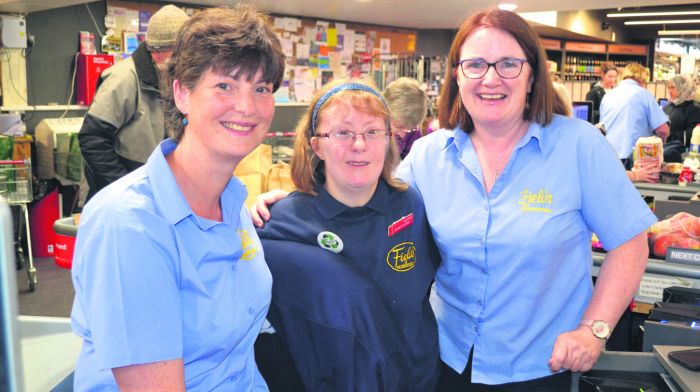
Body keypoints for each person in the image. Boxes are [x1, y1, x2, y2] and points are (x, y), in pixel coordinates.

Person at [253, 9, 655, 390]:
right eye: (475, 65)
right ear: (458, 78)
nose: (491, 79)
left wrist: (594, 329)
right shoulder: (429, 155)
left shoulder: (578, 146)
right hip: (444, 363)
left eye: (508, 64)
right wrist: (293, 203)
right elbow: (365, 193)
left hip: (540, 365)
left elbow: (630, 241)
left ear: (532, 75)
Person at [70, 5, 285, 390]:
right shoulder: (130, 226)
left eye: (261, 88)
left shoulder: (231, 204)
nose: (247, 106)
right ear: (182, 93)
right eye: (224, 85)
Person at [254, 79, 440, 391]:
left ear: (387, 140)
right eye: (342, 132)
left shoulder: (413, 207)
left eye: (372, 132)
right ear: (317, 145)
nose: (359, 145)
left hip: (416, 379)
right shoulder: (282, 224)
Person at [78, 4, 189, 204]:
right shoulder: (123, 78)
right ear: (157, 51)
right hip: (115, 198)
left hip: (154, 195)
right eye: (180, 53)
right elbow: (92, 139)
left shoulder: (176, 80)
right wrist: (126, 187)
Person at [600, 63, 669, 169]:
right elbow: (663, 130)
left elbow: (602, 128)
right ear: (642, 78)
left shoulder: (607, 96)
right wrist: (660, 146)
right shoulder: (644, 95)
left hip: (608, 157)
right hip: (634, 159)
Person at [384, 77, 428, 158]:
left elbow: (413, 160)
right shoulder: (371, 124)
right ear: (386, 112)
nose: (402, 135)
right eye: (398, 126)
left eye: (409, 129)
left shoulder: (413, 129)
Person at [663, 74, 700, 161]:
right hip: (667, 152)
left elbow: (692, 135)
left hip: (685, 156)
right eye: (668, 87)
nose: (669, 91)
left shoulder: (695, 109)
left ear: (683, 87)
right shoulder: (668, 107)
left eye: (673, 87)